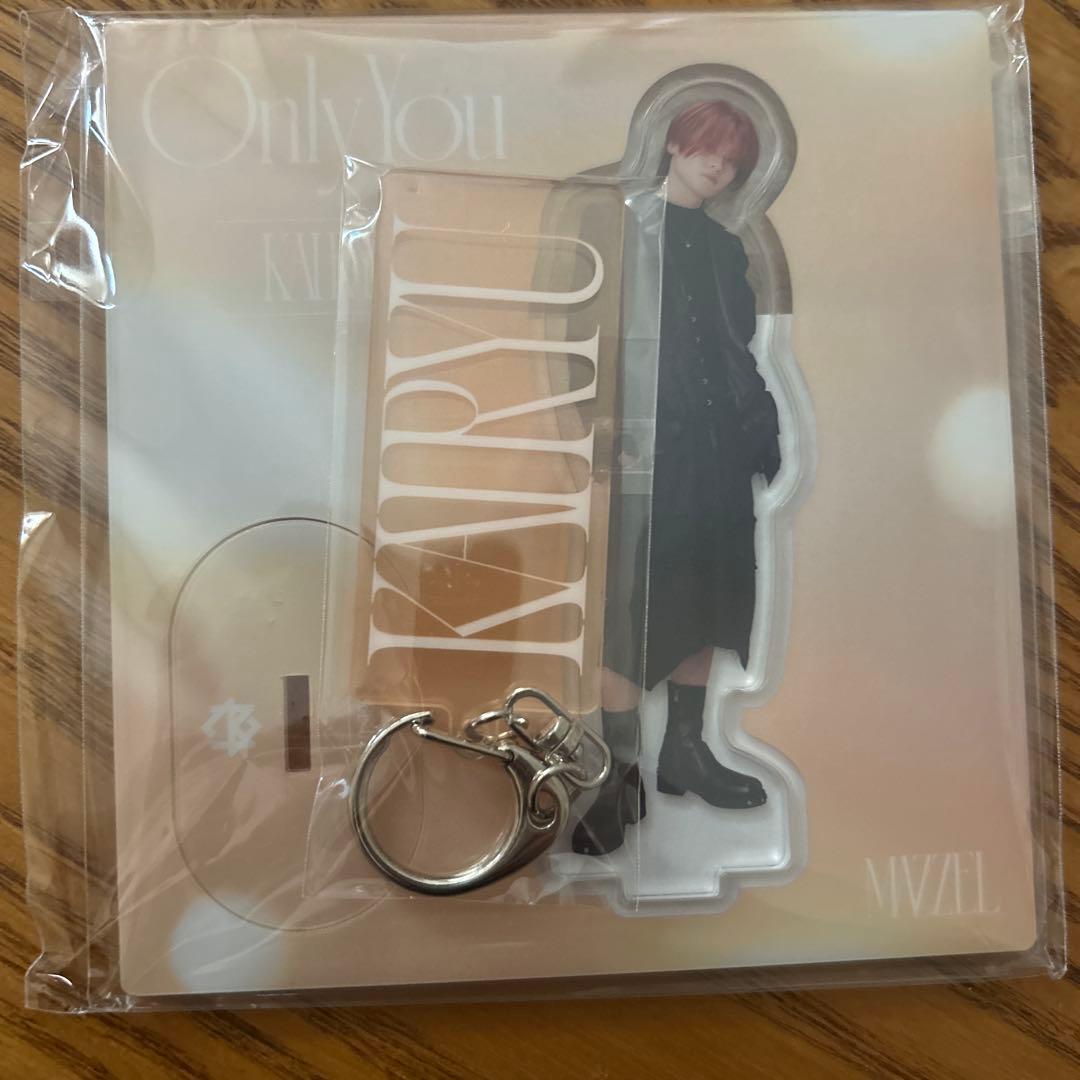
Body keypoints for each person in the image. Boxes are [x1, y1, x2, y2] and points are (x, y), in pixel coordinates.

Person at [573, 100, 782, 857]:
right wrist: (594, 430)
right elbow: (582, 330)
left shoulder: (725, 248)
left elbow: (737, 346)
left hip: (717, 448)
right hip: (644, 448)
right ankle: (617, 775)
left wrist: (759, 430)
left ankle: (685, 754)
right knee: (632, 608)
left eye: (731, 160)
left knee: (709, 594)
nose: (717, 167)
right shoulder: (621, 228)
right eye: (707, 150)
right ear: (674, 144)